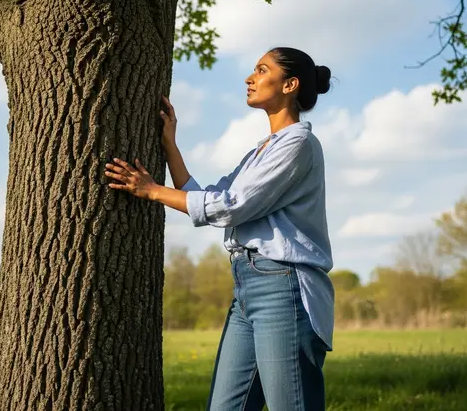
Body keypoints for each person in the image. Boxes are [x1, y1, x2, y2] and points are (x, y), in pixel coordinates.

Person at [104, 47, 334, 411]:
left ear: (290, 84)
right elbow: (208, 197)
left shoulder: (299, 144)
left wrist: (150, 190)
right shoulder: (261, 151)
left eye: (261, 70)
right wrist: (169, 145)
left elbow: (231, 207)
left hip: (283, 288)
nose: (250, 77)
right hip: (246, 288)